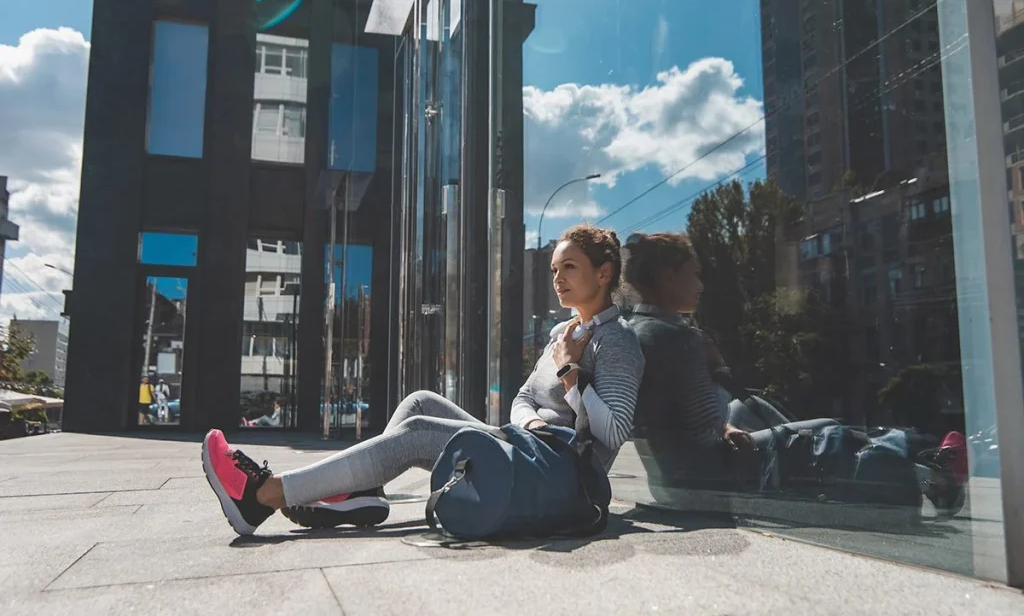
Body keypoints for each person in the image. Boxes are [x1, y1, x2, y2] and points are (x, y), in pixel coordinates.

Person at [201, 225, 645, 536]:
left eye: (569, 267)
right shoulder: (562, 333)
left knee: (415, 434)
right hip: (528, 445)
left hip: (562, 474)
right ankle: (360, 492)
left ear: (603, 272)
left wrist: (570, 375)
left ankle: (263, 495)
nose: (557, 278)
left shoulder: (617, 342)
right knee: (420, 402)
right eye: (554, 269)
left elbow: (613, 433)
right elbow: (523, 398)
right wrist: (530, 422)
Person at [623, 231, 965, 512]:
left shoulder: (635, 328)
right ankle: (930, 470)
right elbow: (704, 432)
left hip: (665, 480)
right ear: (668, 276)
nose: (700, 285)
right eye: (693, 274)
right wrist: (718, 366)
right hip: (705, 482)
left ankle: (825, 445)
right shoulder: (680, 338)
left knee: (749, 406)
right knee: (829, 433)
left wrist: (726, 420)